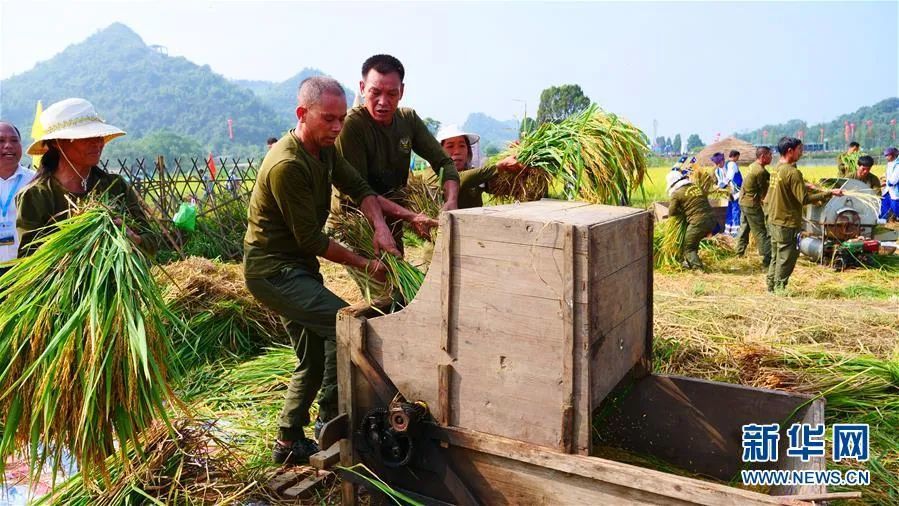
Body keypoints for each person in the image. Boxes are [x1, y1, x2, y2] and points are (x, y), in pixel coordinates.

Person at [243, 76, 436, 466]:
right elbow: (311, 240)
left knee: (313, 357)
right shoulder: (287, 164)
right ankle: (330, 421)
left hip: (299, 269)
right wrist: (367, 264)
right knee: (341, 328)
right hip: (273, 271)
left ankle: (287, 440)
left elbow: (360, 187)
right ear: (302, 114)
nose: (336, 127)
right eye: (327, 119)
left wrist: (381, 226)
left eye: (340, 119)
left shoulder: (324, 151)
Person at [335, 54, 461, 250]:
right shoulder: (352, 125)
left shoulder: (408, 120)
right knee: (376, 269)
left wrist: (451, 200)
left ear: (401, 91)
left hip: (393, 221)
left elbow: (444, 162)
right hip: (357, 223)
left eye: (392, 94)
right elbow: (359, 192)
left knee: (397, 266)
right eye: (375, 92)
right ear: (362, 88)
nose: (383, 102)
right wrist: (411, 216)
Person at [16, 98, 156, 257]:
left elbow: (151, 241)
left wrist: (135, 239)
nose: (97, 143)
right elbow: (28, 258)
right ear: (56, 143)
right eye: (86, 137)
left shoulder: (115, 186)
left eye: (99, 136)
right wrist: (73, 243)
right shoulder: (36, 195)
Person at [766, 137, 842, 292]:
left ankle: (771, 286)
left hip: (773, 219)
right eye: (800, 149)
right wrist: (829, 193)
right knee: (787, 257)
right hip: (786, 222)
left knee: (776, 255)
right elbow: (804, 199)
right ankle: (779, 288)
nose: (802, 153)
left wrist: (807, 185)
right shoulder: (793, 172)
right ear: (790, 151)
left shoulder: (776, 168)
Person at [422, 125, 525, 209]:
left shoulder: (477, 176)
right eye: (450, 146)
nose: (457, 151)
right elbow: (458, 179)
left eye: (462, 146)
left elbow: (507, 189)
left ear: (468, 151)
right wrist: (499, 166)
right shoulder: (431, 174)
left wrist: (518, 157)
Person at [0, 122, 36, 273]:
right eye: (1, 141)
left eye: (14, 140)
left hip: (26, 268)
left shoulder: (35, 182)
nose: (8, 146)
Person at [666, 170, 716, 270]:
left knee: (688, 247)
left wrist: (682, 212)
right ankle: (689, 263)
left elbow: (671, 212)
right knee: (693, 242)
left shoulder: (677, 193)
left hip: (698, 223)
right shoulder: (696, 187)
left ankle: (698, 269)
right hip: (712, 220)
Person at [736, 146, 772, 266]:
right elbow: (764, 193)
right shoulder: (760, 171)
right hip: (751, 204)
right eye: (770, 155)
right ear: (763, 157)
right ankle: (767, 258)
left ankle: (739, 252)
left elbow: (769, 176)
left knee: (744, 228)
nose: (771, 157)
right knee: (760, 231)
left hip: (743, 201)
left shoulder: (754, 166)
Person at [882, 147, 899, 220]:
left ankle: (895, 219)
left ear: (893, 155)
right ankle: (883, 218)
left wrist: (887, 183)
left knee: (895, 206)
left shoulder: (897, 165)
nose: (886, 157)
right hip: (888, 189)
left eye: (887, 155)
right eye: (885, 155)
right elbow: (888, 174)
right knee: (884, 204)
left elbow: (893, 180)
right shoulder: (889, 163)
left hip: (895, 190)